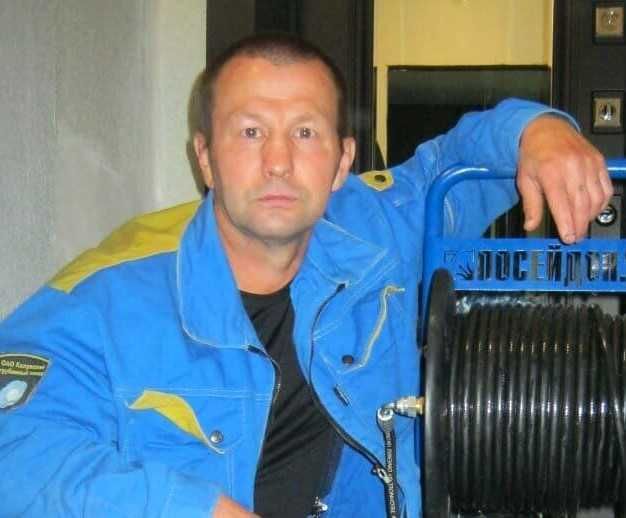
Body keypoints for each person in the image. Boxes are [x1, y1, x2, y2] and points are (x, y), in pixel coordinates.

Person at [0, 33, 611, 518]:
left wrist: (540, 131)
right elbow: (14, 452)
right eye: (250, 132)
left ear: (342, 161)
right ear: (205, 157)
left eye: (305, 132)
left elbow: (461, 160)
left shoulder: (375, 232)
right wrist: (194, 509)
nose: (278, 161)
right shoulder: (107, 296)